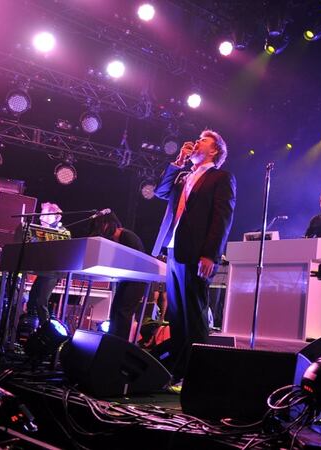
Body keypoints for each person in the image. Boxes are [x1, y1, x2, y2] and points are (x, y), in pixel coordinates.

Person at [152, 130, 236, 380]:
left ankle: (200, 375)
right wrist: (176, 164)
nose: (196, 142)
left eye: (203, 141)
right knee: (176, 314)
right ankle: (178, 371)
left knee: (195, 314)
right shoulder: (182, 176)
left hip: (198, 252)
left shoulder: (220, 177)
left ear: (214, 151)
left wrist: (210, 254)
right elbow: (160, 192)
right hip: (174, 249)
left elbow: (222, 218)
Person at [89, 211, 148, 342]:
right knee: (116, 311)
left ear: (109, 224)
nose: (102, 230)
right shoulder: (118, 238)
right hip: (127, 280)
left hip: (136, 281)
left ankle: (119, 345)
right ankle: (112, 342)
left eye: (102, 226)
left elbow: (135, 262)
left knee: (123, 312)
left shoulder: (127, 236)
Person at [24, 202, 65, 326]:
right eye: (41, 215)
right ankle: (29, 326)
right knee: (32, 299)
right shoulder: (39, 231)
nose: (41, 218)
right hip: (42, 271)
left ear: (55, 216)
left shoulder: (61, 231)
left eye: (45, 215)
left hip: (52, 272)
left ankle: (45, 328)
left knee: (41, 301)